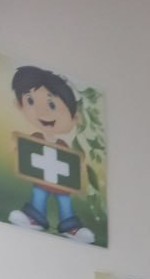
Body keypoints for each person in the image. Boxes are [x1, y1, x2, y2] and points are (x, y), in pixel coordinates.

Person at [7, 65, 95, 243]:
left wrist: (80, 165)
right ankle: (34, 218)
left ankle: (71, 227)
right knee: (39, 194)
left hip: (61, 181)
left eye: (52, 105)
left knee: (64, 200)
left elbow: (73, 162)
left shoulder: (63, 146)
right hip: (42, 177)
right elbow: (25, 152)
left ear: (74, 118)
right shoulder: (35, 138)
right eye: (30, 101)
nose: (43, 112)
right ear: (19, 104)